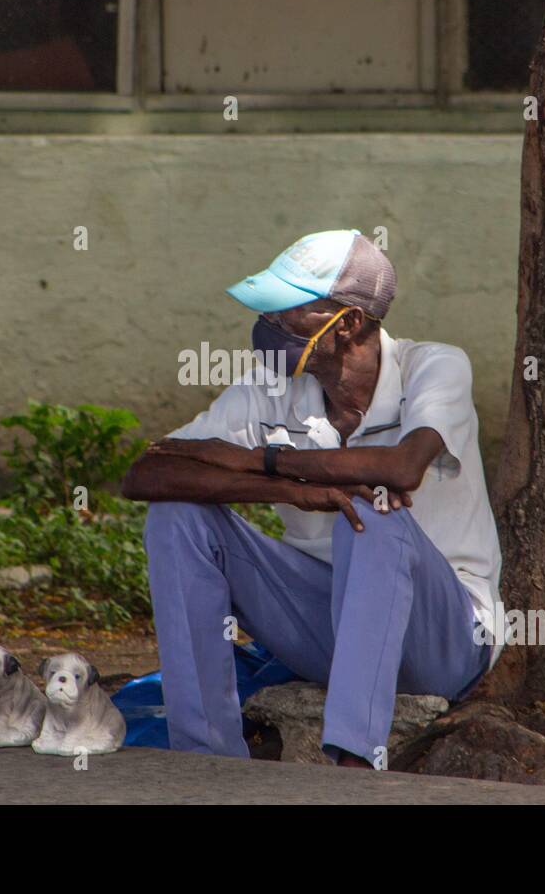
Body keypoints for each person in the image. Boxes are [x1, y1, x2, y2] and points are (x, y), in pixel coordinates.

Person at [121, 229, 503, 768]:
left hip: (444, 640)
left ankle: (352, 762)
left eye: (285, 312)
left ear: (347, 323)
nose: (267, 326)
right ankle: (206, 758)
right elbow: (147, 473)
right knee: (177, 516)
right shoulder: (269, 387)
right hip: (327, 629)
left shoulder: (434, 366)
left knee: (373, 508)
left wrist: (263, 459)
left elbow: (402, 467)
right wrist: (292, 492)